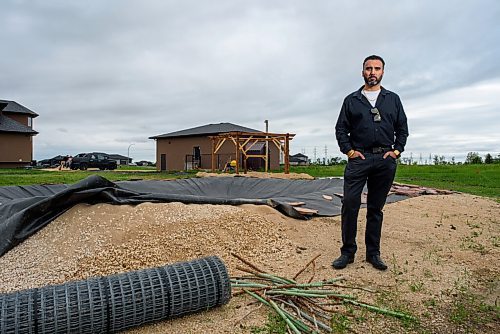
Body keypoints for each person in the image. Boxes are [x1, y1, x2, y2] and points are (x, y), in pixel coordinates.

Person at [333, 55, 409, 270]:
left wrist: (396, 151)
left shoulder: (392, 99)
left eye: (377, 68)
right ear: (362, 71)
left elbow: (402, 129)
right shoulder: (352, 100)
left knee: (375, 208)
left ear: (383, 72)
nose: (372, 72)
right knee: (350, 204)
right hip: (359, 159)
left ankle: (373, 254)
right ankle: (347, 253)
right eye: (369, 68)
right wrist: (348, 150)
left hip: (385, 159)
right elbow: (341, 129)